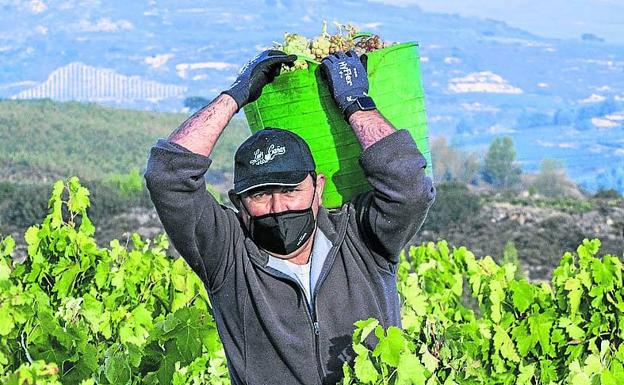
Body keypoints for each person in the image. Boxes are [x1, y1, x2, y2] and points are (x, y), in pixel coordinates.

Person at [144, 49, 436, 385]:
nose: (278, 206)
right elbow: (167, 175)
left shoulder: (363, 239)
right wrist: (236, 94)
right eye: (260, 194)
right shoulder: (227, 255)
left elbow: (410, 186)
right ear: (238, 202)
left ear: (318, 187)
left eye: (290, 190)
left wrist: (356, 103)